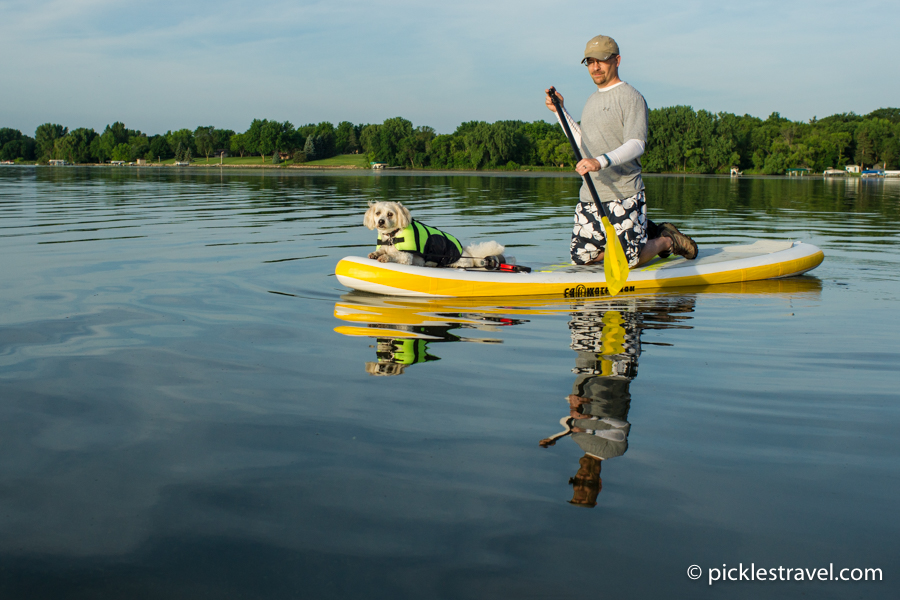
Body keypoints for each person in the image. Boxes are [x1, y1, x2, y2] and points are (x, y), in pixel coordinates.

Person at [545, 34, 698, 267]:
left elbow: (637, 144)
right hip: (591, 194)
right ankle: (642, 231)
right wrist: (560, 111)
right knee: (582, 258)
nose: (595, 67)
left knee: (628, 260)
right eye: (590, 62)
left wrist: (600, 161)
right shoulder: (591, 101)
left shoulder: (631, 97)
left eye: (602, 60)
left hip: (623, 193)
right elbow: (582, 143)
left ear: (617, 60)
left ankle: (666, 240)